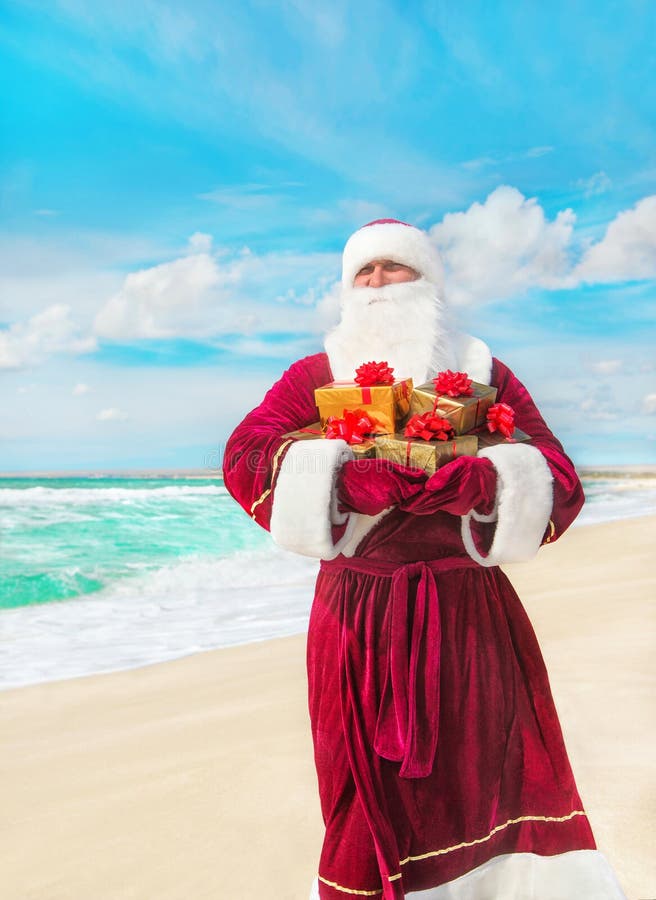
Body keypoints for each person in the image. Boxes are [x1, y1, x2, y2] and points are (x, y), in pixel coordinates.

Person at [223, 219, 626, 899]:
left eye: (395, 267)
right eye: (364, 272)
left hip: (468, 613)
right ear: (348, 289)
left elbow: (560, 473)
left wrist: (493, 483)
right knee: (360, 799)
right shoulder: (316, 373)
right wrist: (338, 480)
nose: (379, 283)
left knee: (489, 779)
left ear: (429, 280)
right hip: (356, 619)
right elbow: (244, 454)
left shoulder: (481, 368)